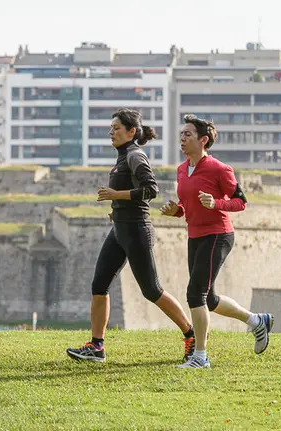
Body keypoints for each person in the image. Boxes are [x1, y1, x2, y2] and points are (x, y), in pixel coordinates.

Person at [66, 108, 196, 363]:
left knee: (152, 290)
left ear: (131, 132)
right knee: (99, 285)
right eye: (110, 128)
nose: (111, 132)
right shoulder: (121, 157)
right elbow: (128, 192)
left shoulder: (136, 155)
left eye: (116, 128)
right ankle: (97, 346)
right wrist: (116, 211)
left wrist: (117, 197)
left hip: (137, 230)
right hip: (120, 230)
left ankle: (191, 336)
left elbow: (151, 190)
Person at [160, 114, 274, 369]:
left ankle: (200, 357)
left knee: (195, 294)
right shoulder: (181, 169)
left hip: (218, 235)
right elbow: (187, 206)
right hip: (195, 236)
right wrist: (175, 211)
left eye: (188, 134)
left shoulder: (220, 169)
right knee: (208, 299)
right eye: (182, 133)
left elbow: (241, 201)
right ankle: (257, 321)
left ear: (203, 140)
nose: (182, 137)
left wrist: (217, 203)